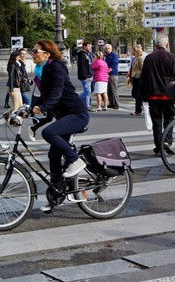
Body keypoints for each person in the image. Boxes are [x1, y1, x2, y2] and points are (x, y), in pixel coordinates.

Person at [28, 40, 89, 213]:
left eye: (35, 51)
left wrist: (43, 107)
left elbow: (57, 92)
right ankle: (57, 195)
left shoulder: (56, 67)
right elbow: (45, 96)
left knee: (49, 132)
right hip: (65, 115)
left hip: (77, 114)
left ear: (47, 54)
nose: (32, 54)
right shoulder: (44, 70)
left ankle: (75, 160)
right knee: (53, 154)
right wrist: (27, 110)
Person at [140, 37, 175, 156]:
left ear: (155, 46)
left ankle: (158, 145)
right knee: (169, 119)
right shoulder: (172, 57)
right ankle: (167, 141)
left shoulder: (149, 58)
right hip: (168, 95)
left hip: (153, 95)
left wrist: (143, 96)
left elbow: (144, 78)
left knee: (156, 121)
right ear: (166, 45)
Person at [126, 45, 145, 116]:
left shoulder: (140, 58)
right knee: (135, 94)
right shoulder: (135, 58)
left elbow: (143, 68)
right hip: (135, 78)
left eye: (132, 50)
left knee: (137, 95)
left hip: (138, 78)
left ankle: (138, 110)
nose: (131, 52)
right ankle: (139, 109)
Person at [76, 42, 93, 109]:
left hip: (89, 75)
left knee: (88, 92)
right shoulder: (82, 55)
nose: (90, 48)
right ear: (84, 47)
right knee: (87, 91)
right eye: (88, 46)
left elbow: (89, 65)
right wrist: (85, 76)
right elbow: (82, 66)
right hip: (85, 77)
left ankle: (86, 105)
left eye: (90, 46)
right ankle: (77, 101)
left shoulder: (87, 54)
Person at [104, 44, 120, 109]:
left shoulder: (114, 55)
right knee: (109, 90)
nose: (107, 49)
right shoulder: (106, 56)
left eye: (109, 48)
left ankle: (116, 104)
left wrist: (106, 72)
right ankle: (111, 103)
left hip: (113, 74)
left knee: (114, 90)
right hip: (107, 75)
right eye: (106, 48)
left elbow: (113, 65)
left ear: (111, 48)